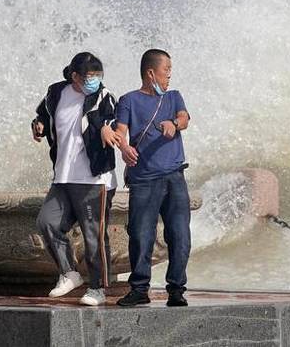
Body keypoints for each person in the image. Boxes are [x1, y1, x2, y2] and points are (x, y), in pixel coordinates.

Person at [31, 52, 120, 306]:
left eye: (98, 76)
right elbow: (43, 114)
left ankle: (98, 288)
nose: (95, 81)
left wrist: (106, 127)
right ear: (75, 76)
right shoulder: (56, 93)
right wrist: (37, 124)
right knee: (47, 222)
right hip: (63, 176)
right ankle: (70, 273)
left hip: (94, 179)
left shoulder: (103, 96)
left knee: (94, 235)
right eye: (90, 77)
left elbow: (113, 119)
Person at [114, 49, 192, 307]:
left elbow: (184, 119)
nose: (169, 74)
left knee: (179, 235)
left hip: (174, 177)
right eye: (165, 69)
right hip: (144, 180)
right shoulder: (128, 101)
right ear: (151, 73)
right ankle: (138, 289)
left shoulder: (173, 97)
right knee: (140, 235)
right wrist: (124, 149)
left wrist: (173, 124)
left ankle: (176, 290)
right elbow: (120, 132)